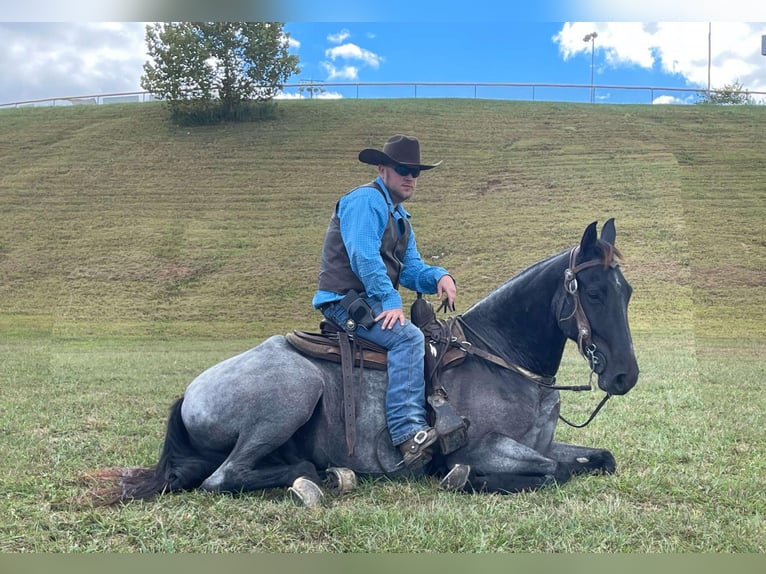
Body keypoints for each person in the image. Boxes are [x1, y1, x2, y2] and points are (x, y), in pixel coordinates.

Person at [313, 134, 457, 469]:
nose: (410, 177)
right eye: (403, 169)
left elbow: (411, 269)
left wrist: (439, 276)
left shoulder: (401, 217)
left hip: (367, 302)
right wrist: (389, 299)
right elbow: (363, 255)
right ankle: (409, 434)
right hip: (344, 303)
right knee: (407, 337)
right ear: (382, 169)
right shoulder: (366, 201)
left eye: (415, 172)